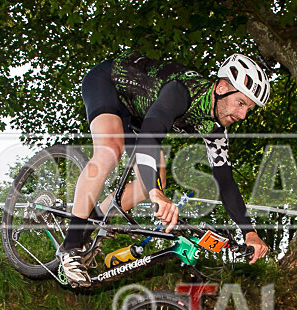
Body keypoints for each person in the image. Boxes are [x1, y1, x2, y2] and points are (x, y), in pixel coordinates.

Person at [57, 51, 271, 287]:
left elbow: (226, 182)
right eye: (240, 103)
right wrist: (155, 194)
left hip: (137, 113)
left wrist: (248, 232)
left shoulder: (215, 130)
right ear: (221, 88)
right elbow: (150, 136)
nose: (242, 115)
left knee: (154, 181)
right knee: (110, 150)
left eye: (248, 109)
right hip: (109, 83)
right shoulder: (183, 91)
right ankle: (71, 245)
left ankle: (90, 226)